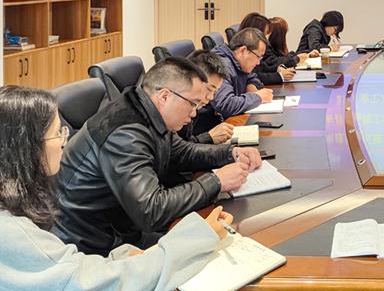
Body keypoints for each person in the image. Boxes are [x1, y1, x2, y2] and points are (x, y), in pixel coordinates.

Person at [0, 85, 234, 290]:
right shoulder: (11, 231)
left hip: (101, 246)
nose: (64, 141)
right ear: (24, 147)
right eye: (57, 133)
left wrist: (125, 257)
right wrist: (199, 237)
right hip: (92, 241)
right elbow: (90, 283)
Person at [54, 57, 262, 256]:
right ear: (164, 96)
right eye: (193, 104)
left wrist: (230, 153)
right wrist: (216, 181)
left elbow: (182, 151)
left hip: (124, 225)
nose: (194, 113)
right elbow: (151, 210)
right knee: (211, 248)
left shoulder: (144, 110)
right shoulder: (126, 133)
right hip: (96, 245)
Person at [211, 27, 274, 118]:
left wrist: (251, 84)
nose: (258, 62)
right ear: (243, 51)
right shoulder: (221, 65)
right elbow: (225, 104)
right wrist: (257, 97)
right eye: (258, 56)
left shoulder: (240, 63)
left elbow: (252, 77)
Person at [178, 49, 234, 143]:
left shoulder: (193, 106)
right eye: (209, 89)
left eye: (215, 91)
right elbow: (178, 150)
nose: (211, 97)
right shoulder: (177, 108)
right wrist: (208, 138)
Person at [239, 12, 295, 84]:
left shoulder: (256, 48)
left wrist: (277, 69)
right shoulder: (246, 51)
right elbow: (254, 76)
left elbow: (262, 67)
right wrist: (279, 76)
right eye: (264, 34)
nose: (266, 38)